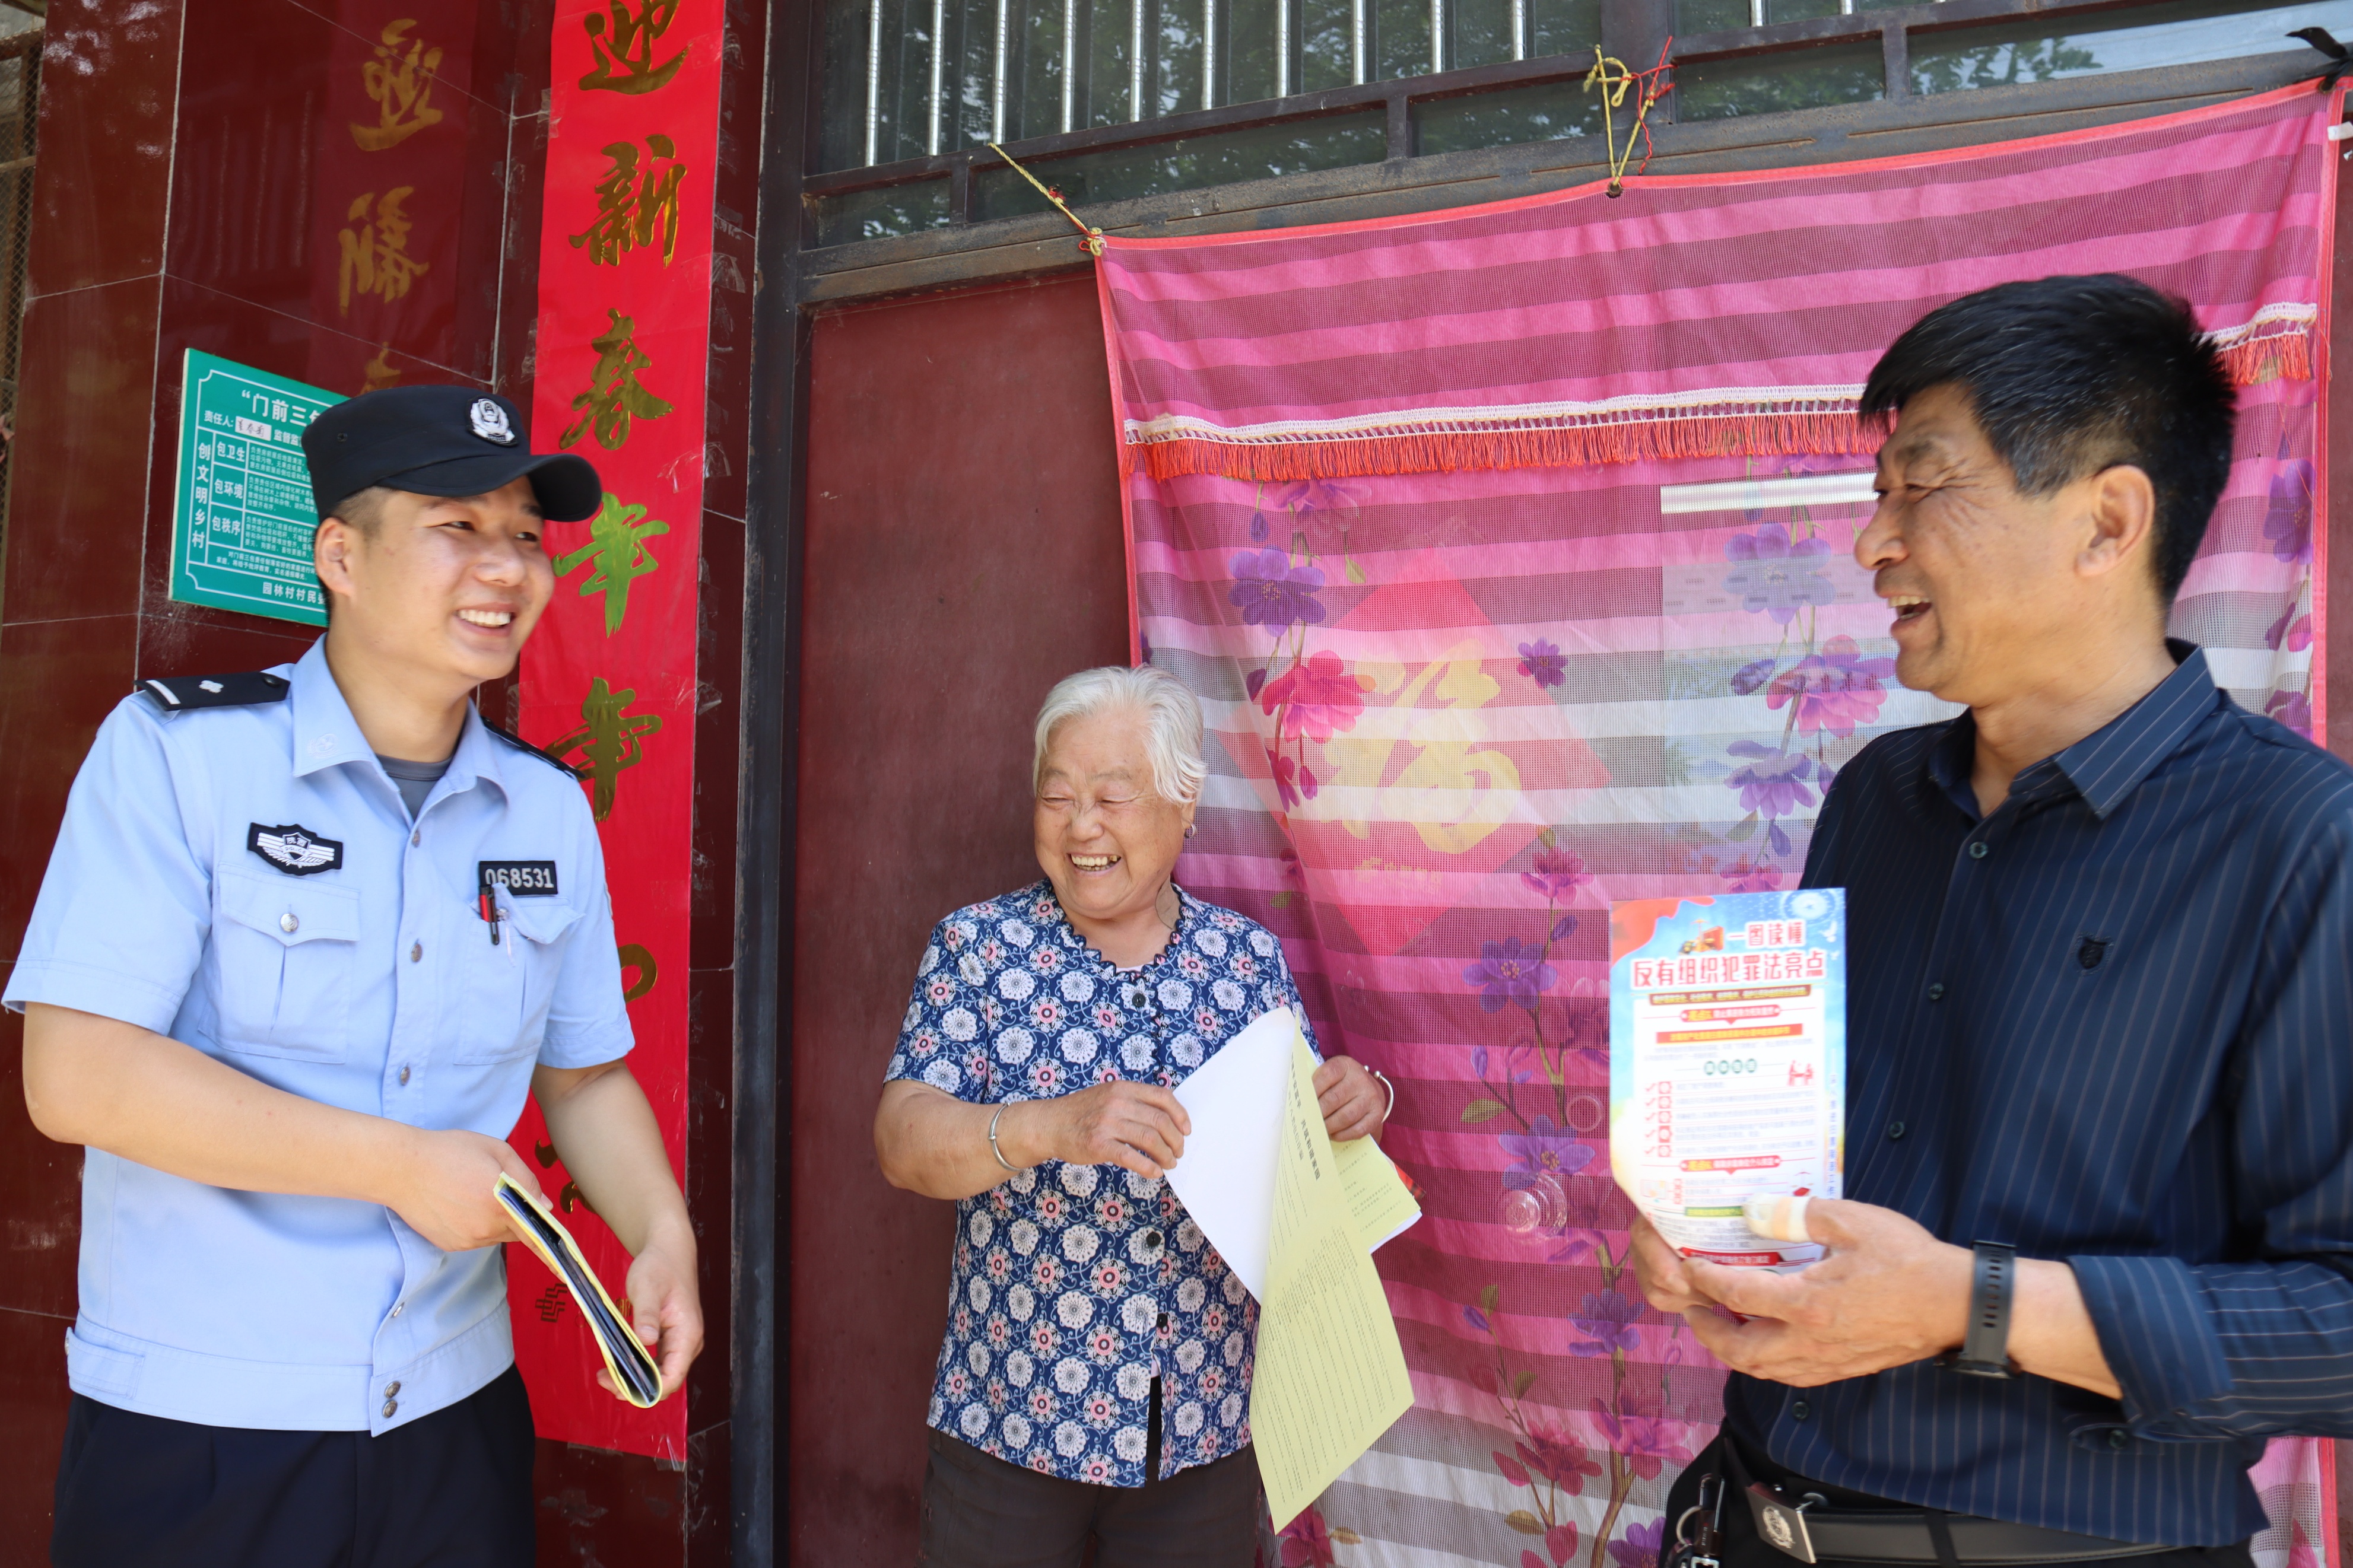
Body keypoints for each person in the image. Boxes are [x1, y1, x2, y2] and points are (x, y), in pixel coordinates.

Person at [1636, 274, 2353, 1568]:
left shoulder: (2302, 838)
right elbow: (1806, 1146)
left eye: (1924, 485)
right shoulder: (1874, 798)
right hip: (1747, 1516)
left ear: (2107, 521)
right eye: (1879, 494)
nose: (1874, 541)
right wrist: (1708, 1219)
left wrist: (1973, 1304)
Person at [11, 384, 703, 1567]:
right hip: (206, 1423)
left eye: (528, 536)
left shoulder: (543, 806)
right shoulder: (181, 756)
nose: (508, 568)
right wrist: (396, 1166)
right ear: (341, 552)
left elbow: (585, 1079)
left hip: (452, 1416)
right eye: (458, 526)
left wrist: (662, 1230)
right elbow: (78, 1076)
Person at [874, 663, 1392, 1566]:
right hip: (1012, 1425)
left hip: (1203, 1436)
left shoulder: (1243, 963)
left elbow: (1304, 1158)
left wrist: (1359, 1103)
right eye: (1057, 797)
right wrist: (1054, 1126)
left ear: (1184, 805)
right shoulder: (979, 948)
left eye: (1112, 797)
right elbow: (902, 1138)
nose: (1081, 827)